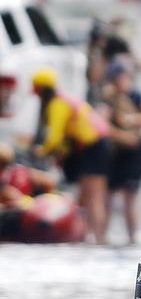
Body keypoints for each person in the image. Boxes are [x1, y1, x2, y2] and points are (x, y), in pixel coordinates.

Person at [31, 67, 111, 243]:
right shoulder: (65, 99)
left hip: (94, 146)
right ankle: (87, 235)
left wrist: (42, 151)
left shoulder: (57, 104)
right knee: (86, 195)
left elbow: (54, 138)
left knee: (94, 194)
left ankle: (98, 239)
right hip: (97, 144)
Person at [102, 60, 141, 244]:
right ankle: (103, 236)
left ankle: (132, 238)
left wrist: (130, 120)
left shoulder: (140, 96)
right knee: (108, 195)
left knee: (130, 196)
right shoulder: (110, 99)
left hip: (135, 151)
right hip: (117, 151)